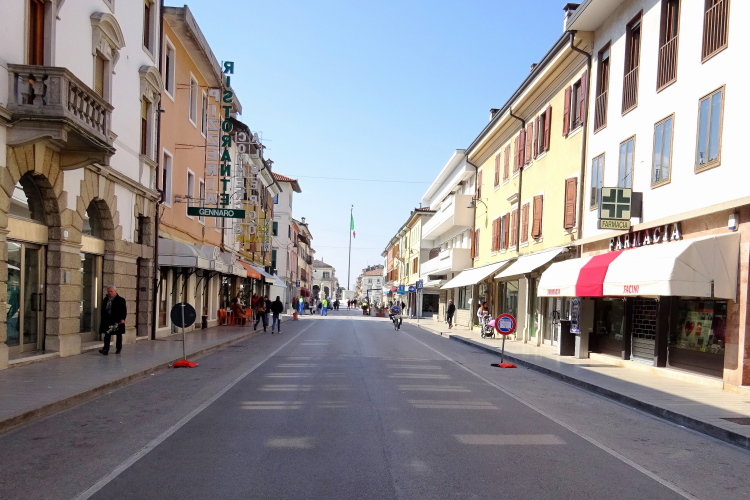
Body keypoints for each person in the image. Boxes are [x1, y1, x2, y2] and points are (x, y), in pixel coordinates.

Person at [99, 285, 127, 355]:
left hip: (117, 319)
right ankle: (105, 350)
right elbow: (103, 309)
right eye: (108, 291)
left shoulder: (121, 300)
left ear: (115, 291)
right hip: (107, 319)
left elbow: (124, 310)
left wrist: (122, 319)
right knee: (107, 334)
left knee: (118, 334)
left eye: (111, 291)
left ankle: (118, 348)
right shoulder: (106, 299)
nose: (110, 293)